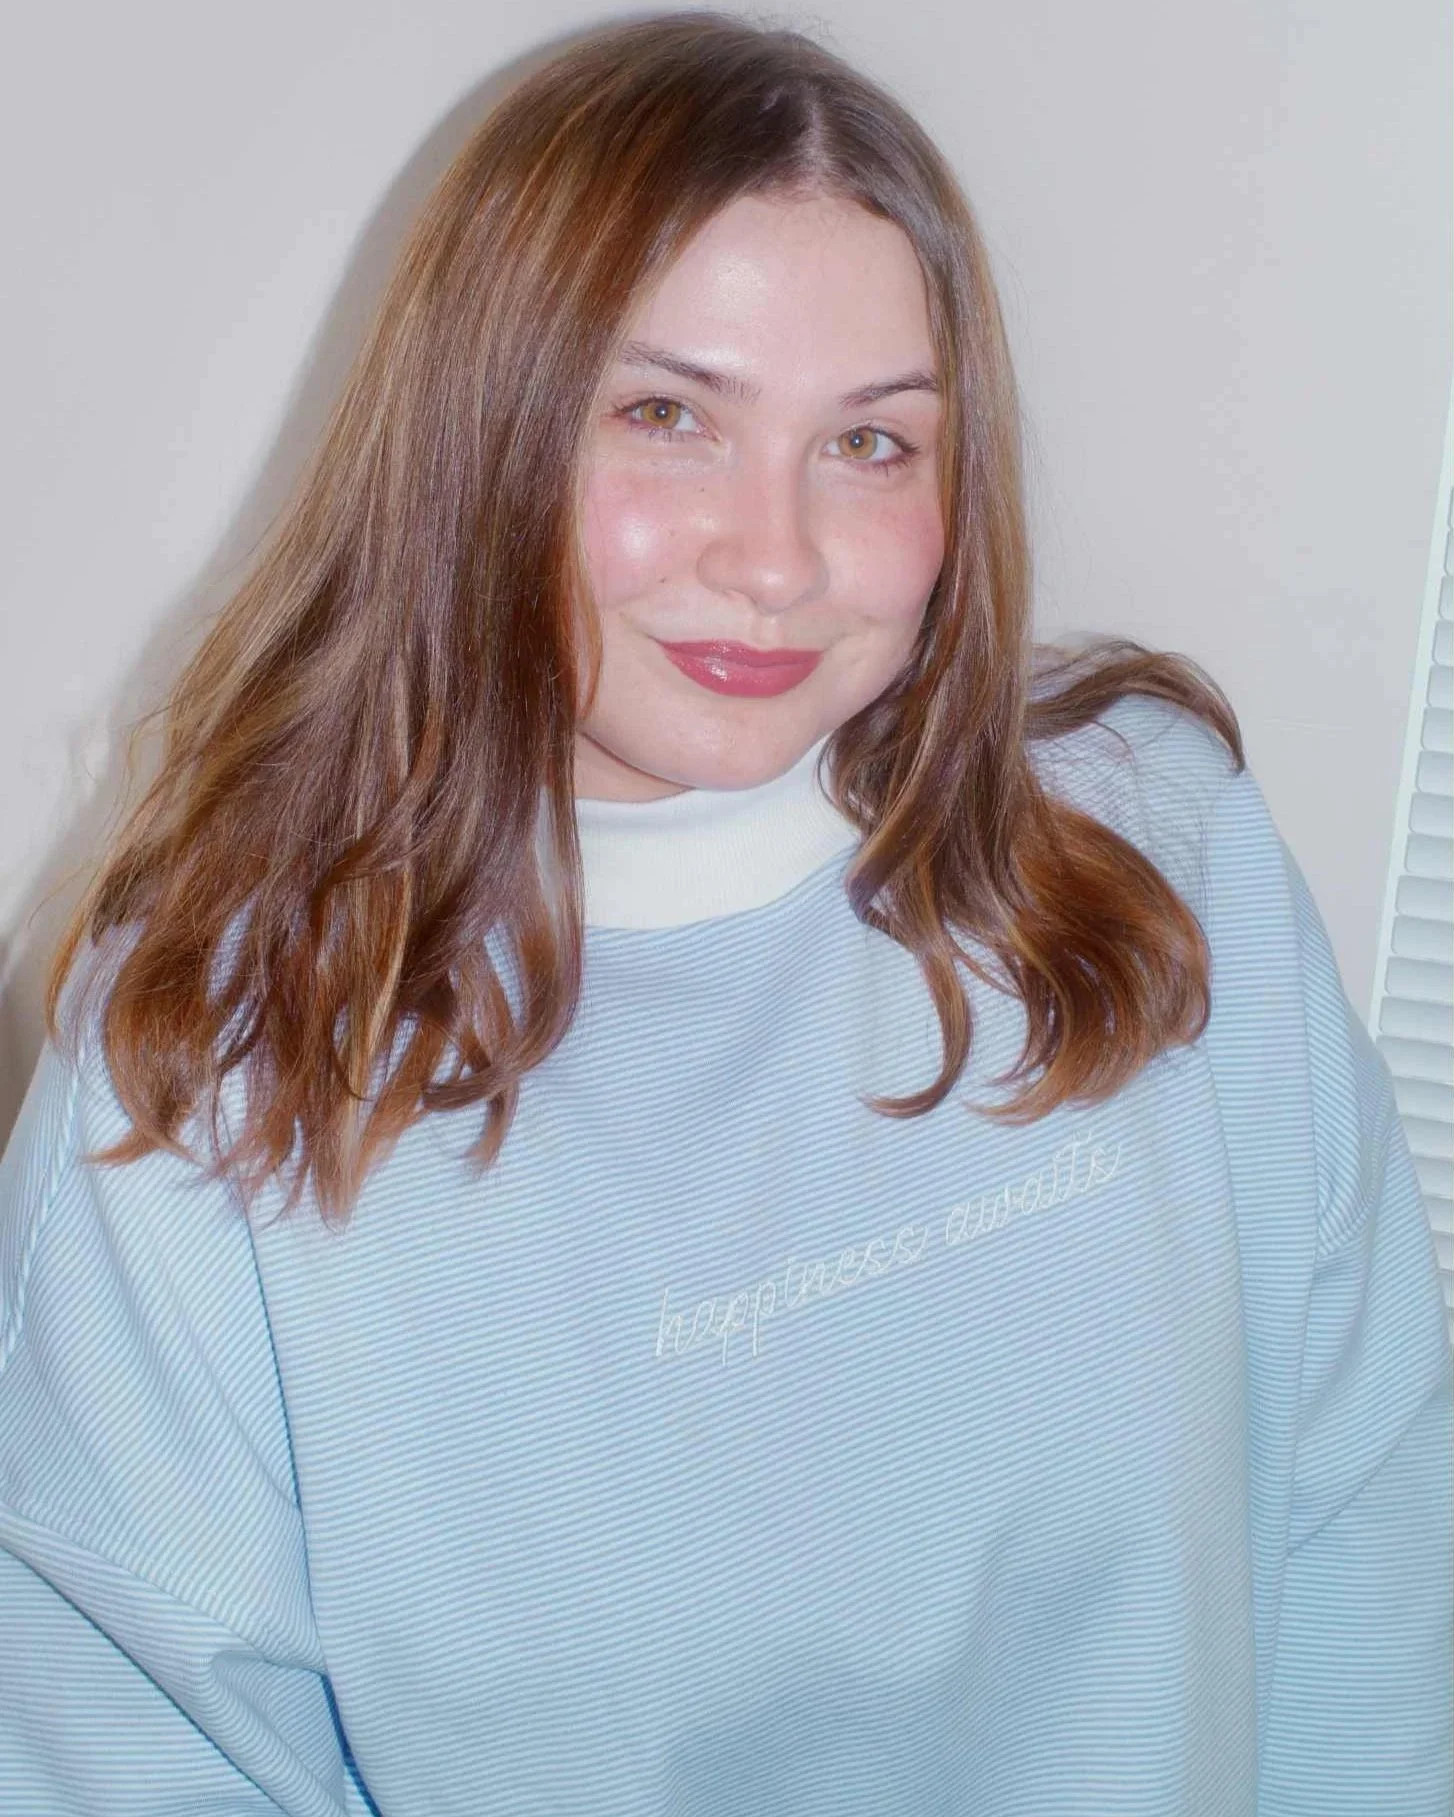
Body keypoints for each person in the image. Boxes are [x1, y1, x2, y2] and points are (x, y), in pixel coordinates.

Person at [0, 11, 1448, 1815]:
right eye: (666, 415)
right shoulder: (212, 1067)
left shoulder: (1152, 852)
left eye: (869, 445)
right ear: (484, 438)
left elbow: (1370, 1532)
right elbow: (134, 1752)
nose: (771, 558)